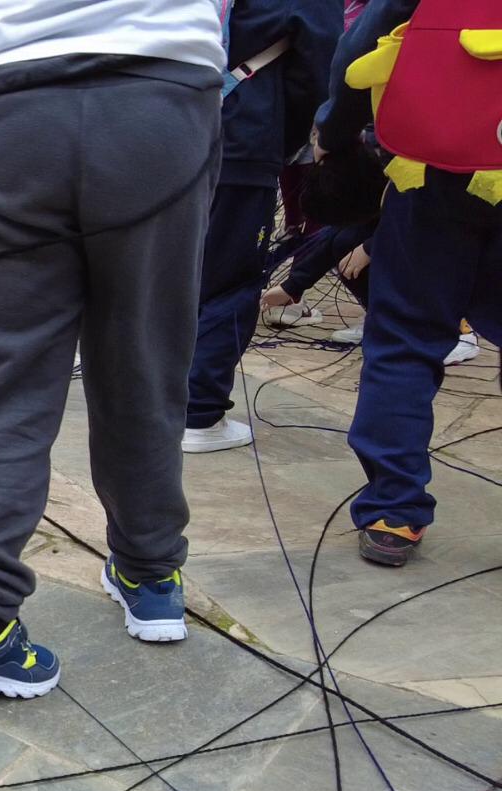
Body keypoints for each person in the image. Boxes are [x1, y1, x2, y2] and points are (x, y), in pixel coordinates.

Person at [0, 0, 225, 697]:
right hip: (160, 91)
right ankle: (150, 572)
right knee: (145, 354)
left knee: (3, 371)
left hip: (13, 100)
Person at [315, 0, 502, 565]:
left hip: (431, 170)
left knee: (404, 339)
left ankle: (393, 512)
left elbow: (363, 48)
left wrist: (335, 128)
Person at [182, 0, 340, 455]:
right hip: (240, 131)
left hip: (153, 126)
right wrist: (287, 139)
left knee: (154, 271)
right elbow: (321, 62)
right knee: (228, 278)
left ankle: (144, 399)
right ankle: (198, 413)